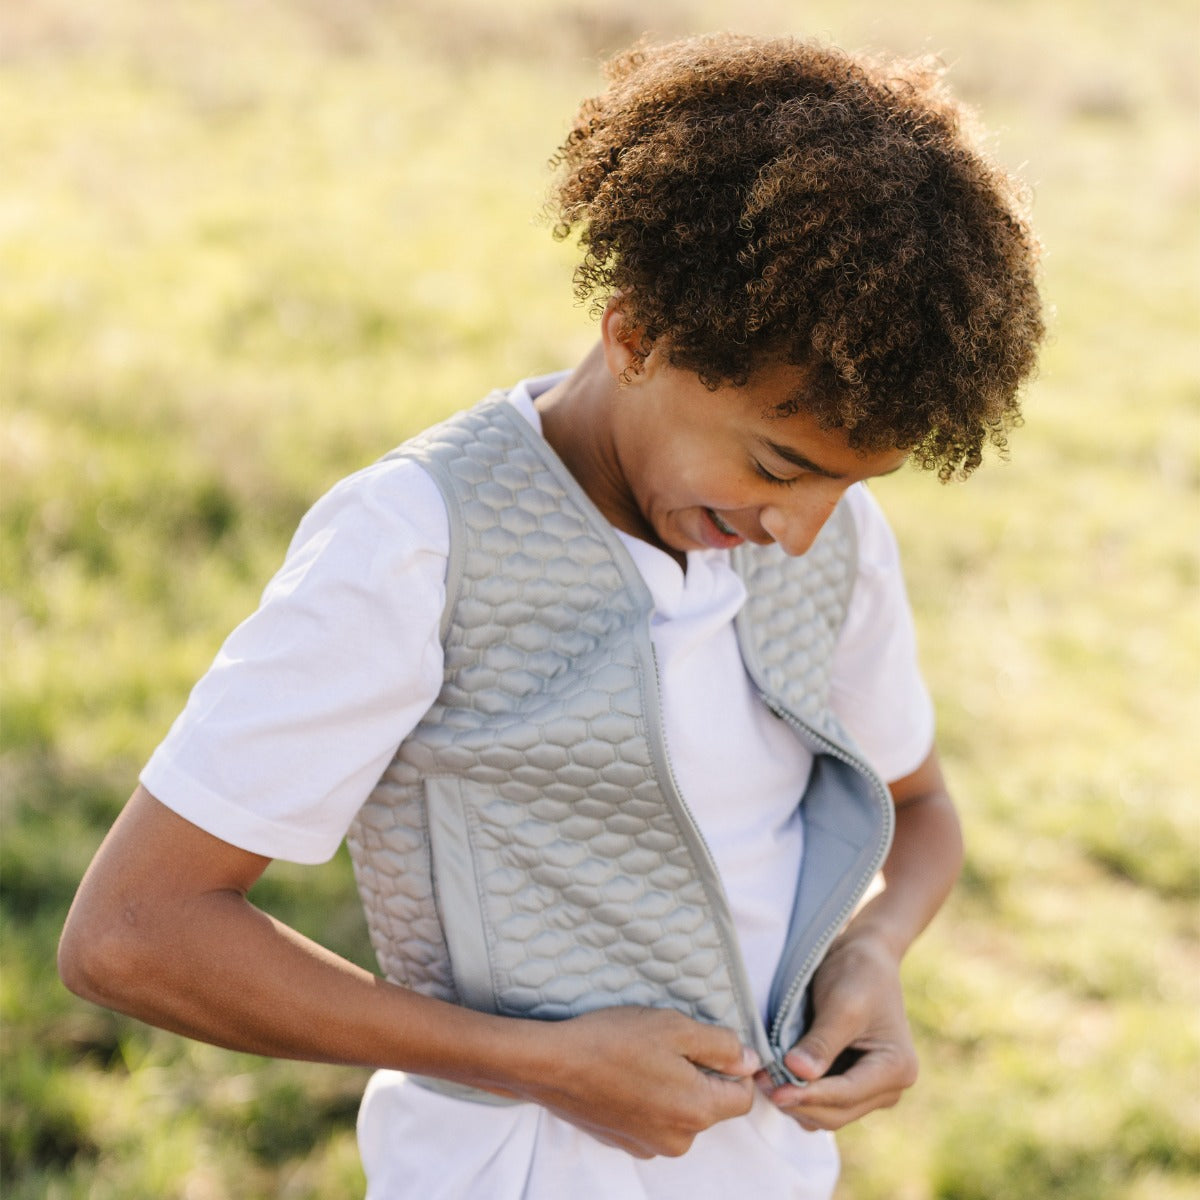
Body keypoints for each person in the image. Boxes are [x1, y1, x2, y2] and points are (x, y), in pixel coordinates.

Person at [59, 33, 1043, 1200]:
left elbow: (919, 812)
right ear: (637, 337)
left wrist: (872, 950)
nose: (806, 529)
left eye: (852, 485)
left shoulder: (830, 549)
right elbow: (133, 932)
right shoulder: (419, 543)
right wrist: (536, 1064)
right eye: (778, 466)